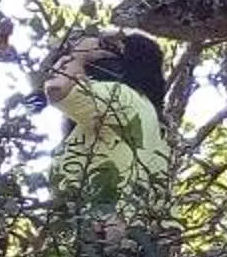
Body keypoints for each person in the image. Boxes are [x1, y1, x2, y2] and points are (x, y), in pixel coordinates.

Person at [37, 28, 174, 232]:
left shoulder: (118, 97)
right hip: (131, 240)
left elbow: (57, 87)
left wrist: (79, 55)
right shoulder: (151, 124)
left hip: (98, 235)